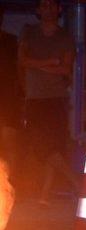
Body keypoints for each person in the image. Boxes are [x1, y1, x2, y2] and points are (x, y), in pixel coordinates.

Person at [18, 0, 78, 205]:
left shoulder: (65, 36)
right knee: (40, 146)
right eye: (44, 5)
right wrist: (50, 62)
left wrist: (37, 66)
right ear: (37, 9)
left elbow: (65, 69)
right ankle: (77, 182)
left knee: (52, 146)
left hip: (56, 97)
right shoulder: (29, 32)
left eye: (52, 5)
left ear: (59, 9)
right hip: (34, 97)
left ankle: (45, 195)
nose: (48, 9)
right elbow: (22, 61)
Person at [0, 5, 21, 173]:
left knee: (9, 145)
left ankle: (9, 186)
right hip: (9, 100)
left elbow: (20, 69)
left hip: (8, 101)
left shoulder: (11, 42)